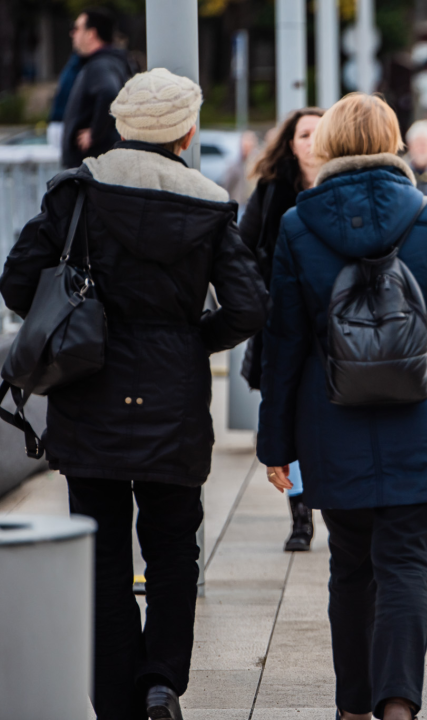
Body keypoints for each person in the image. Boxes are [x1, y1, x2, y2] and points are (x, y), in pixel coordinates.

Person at [0, 68, 268, 720]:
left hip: (88, 394)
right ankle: (161, 683)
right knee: (174, 546)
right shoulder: (209, 204)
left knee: (103, 554)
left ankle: (118, 702)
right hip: (173, 399)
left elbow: (16, 284)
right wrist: (188, 341)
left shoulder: (76, 193)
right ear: (185, 130)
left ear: (121, 124)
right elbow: (249, 305)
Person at [256, 92, 427, 720]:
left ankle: (352, 710)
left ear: (329, 146)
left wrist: (276, 446)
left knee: (349, 566)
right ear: (393, 140)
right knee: (405, 566)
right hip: (419, 420)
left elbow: (284, 345)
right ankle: (398, 705)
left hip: (332, 421)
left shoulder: (299, 225)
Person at [238, 107, 325, 552]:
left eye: (318, 132)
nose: (310, 141)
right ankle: (300, 516)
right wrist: (263, 300)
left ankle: (330, 500)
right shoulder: (273, 191)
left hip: (333, 327)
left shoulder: (341, 184)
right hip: (284, 321)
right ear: (290, 143)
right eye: (302, 134)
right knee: (285, 414)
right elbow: (243, 249)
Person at [61, 8, 136, 169]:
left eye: (77, 28)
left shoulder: (100, 64)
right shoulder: (115, 61)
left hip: (93, 166)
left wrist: (93, 134)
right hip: (103, 163)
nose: (72, 34)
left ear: (91, 34)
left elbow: (109, 92)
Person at [221, 130, 259, 208]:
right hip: (238, 203)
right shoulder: (234, 165)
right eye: (244, 146)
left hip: (252, 204)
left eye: (248, 146)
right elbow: (226, 185)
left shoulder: (257, 164)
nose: (246, 149)